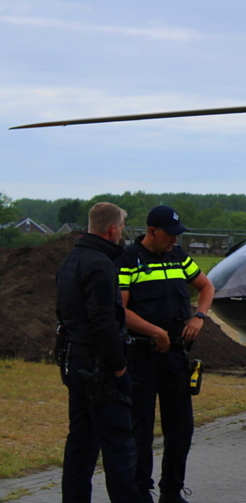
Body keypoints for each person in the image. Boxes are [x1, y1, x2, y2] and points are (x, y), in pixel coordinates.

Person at [115, 206, 215, 503]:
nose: (174, 240)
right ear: (152, 231)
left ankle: (172, 490)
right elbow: (120, 309)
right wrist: (154, 332)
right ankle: (141, 490)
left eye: (177, 234)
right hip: (142, 355)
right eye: (169, 235)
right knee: (141, 428)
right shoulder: (128, 260)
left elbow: (206, 286)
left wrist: (199, 317)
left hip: (175, 355)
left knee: (181, 426)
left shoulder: (178, 257)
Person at [56, 202, 141, 503]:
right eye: (122, 229)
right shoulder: (101, 265)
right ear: (113, 229)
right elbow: (104, 319)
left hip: (75, 361)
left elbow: (62, 312)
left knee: (80, 443)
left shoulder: (71, 260)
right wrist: (118, 367)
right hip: (100, 368)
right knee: (119, 444)